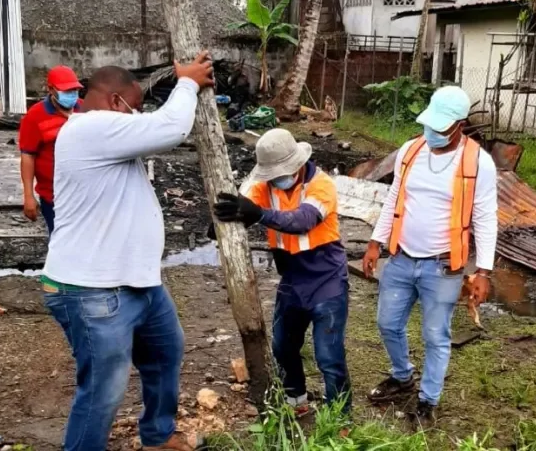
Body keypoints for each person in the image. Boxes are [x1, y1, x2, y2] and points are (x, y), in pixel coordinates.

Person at [40, 52, 214, 451]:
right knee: (103, 390)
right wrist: (187, 81)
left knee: (165, 352)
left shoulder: (105, 135)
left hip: (136, 282)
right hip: (90, 289)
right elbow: (170, 128)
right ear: (114, 100)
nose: (137, 116)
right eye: (134, 107)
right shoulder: (90, 128)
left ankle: (158, 435)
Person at [362, 86, 498, 427]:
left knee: (436, 335)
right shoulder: (411, 150)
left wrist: (483, 271)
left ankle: (427, 400)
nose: (433, 133)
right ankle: (402, 375)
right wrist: (375, 242)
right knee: (387, 323)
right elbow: (394, 197)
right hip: (401, 258)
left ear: (461, 124)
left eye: (441, 127)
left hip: (442, 266)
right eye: (431, 124)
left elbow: (485, 217)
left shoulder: (478, 162)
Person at [212, 129, 352, 417]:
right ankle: (295, 400)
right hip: (291, 278)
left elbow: (302, 220)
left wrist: (260, 215)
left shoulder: (321, 185)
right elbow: (243, 205)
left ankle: (340, 415)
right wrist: (221, 220)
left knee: (329, 356)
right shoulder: (264, 187)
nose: (278, 178)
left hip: (326, 279)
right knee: (283, 346)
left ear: (297, 164)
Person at [18, 65, 84, 235]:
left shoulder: (84, 110)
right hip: (54, 196)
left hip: (85, 193)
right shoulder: (35, 116)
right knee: (61, 240)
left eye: (74, 90)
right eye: (66, 91)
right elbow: (27, 156)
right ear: (51, 90)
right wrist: (28, 196)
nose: (72, 95)